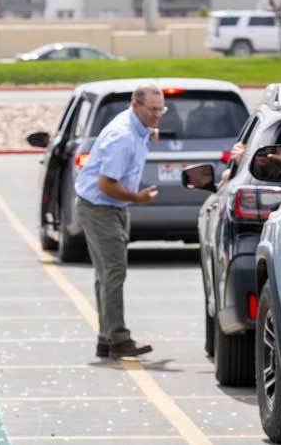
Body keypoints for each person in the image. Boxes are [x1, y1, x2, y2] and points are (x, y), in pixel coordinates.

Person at [74, 83, 164, 359]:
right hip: (100, 207)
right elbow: (106, 185)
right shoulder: (123, 136)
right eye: (153, 110)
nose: (158, 115)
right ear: (136, 105)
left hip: (109, 207)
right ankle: (118, 338)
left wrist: (151, 131)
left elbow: (146, 130)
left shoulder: (137, 126)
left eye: (161, 109)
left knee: (106, 275)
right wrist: (138, 198)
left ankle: (106, 337)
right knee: (113, 273)